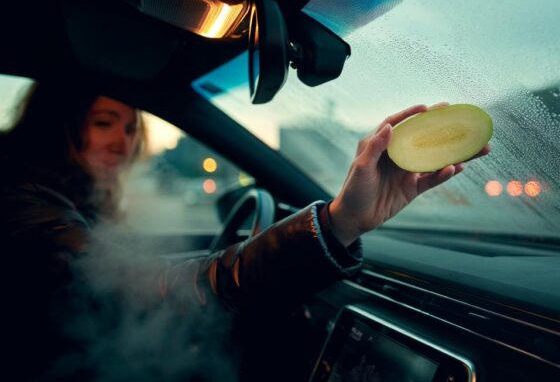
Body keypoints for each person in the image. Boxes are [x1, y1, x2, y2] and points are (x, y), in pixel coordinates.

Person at [0, 82, 490, 380]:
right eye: (104, 123)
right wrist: (336, 223)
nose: (122, 143)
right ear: (57, 125)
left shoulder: (68, 202)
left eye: (130, 128)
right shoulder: (20, 207)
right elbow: (147, 289)